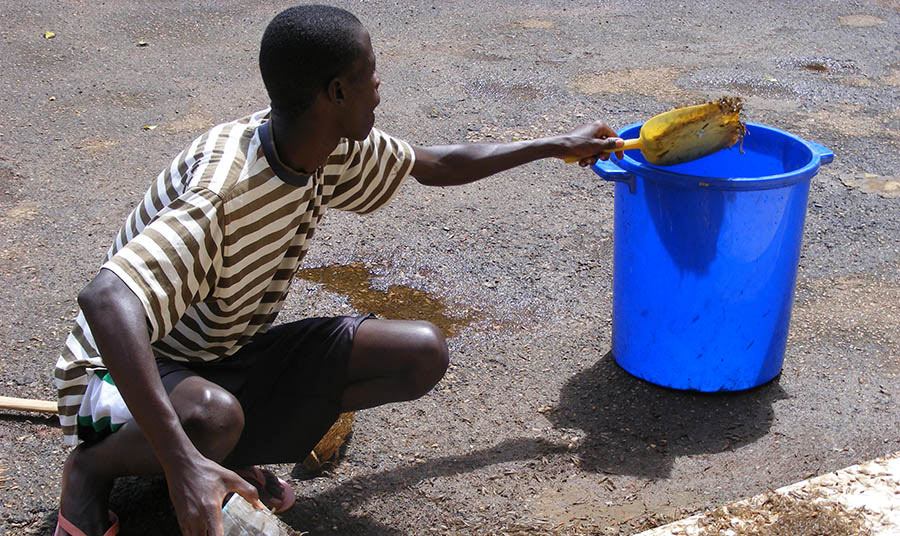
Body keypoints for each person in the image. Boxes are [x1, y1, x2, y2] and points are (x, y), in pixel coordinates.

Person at [53, 4, 624, 536]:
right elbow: (107, 301)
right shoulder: (222, 193)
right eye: (370, 73)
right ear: (335, 91)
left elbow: (435, 164)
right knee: (212, 417)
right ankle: (93, 469)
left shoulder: (326, 145)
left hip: (215, 355)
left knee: (418, 352)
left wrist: (557, 145)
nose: (379, 86)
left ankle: (219, 453)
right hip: (115, 377)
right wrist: (181, 467)